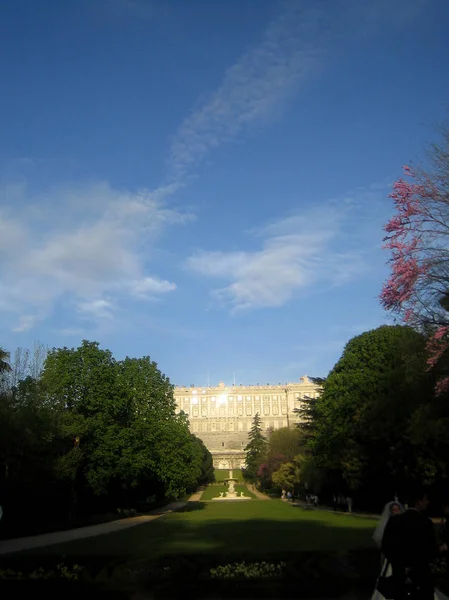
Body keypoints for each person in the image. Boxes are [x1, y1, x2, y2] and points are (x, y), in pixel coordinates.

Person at [382, 487, 437, 600]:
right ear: (418, 501)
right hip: (420, 575)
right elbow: (430, 551)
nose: (427, 502)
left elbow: (386, 547)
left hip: (399, 574)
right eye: (425, 499)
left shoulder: (394, 521)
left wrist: (399, 565)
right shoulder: (426, 523)